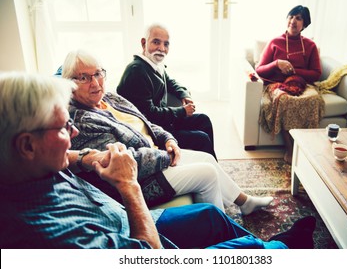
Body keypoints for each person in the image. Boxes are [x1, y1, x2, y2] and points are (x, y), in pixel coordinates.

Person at [0, 71, 317, 249]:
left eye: (98, 73)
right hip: (136, 231)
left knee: (209, 214)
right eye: (64, 127)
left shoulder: (32, 164)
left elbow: (143, 119)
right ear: (27, 145)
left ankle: (266, 241)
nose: (73, 131)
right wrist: (129, 186)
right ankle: (281, 248)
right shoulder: (52, 234)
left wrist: (82, 157)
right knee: (244, 251)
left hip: (123, 215)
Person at [61, 49, 273, 215]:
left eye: (97, 73)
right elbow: (122, 162)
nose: (95, 82)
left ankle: (244, 203)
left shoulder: (109, 98)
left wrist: (168, 139)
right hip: (140, 179)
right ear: (70, 83)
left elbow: (145, 122)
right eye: (84, 78)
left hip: (156, 155)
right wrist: (166, 155)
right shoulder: (83, 121)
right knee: (206, 174)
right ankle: (219, 235)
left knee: (207, 158)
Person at [117, 24, 217, 159]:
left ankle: (211, 163)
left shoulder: (154, 65)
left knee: (203, 120)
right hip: (152, 132)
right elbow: (148, 114)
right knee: (201, 138)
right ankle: (207, 167)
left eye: (166, 44)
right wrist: (181, 111)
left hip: (164, 122)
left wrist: (184, 94)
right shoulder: (137, 71)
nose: (162, 49)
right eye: (156, 42)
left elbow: (170, 82)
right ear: (143, 43)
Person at [255, 5, 323, 164]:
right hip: (276, 85)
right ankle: (290, 148)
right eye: (291, 17)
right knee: (285, 100)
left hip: (301, 84)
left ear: (304, 24)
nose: (293, 21)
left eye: (298, 18)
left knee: (313, 99)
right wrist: (276, 64)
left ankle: (305, 147)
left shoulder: (310, 45)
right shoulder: (274, 42)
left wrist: (294, 71)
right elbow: (259, 70)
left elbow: (316, 73)